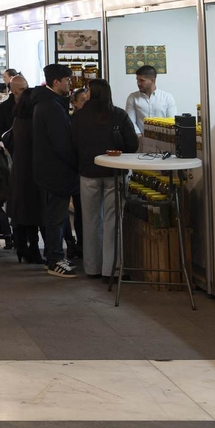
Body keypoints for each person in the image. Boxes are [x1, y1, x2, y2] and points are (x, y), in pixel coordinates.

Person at [74, 78, 137, 284]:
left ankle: (92, 267)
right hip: (114, 173)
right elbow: (132, 144)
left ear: (92, 93)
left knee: (90, 220)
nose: (86, 93)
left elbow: (72, 144)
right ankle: (112, 269)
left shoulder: (79, 116)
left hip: (88, 173)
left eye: (87, 90)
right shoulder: (118, 114)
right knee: (113, 220)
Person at [29, 64, 79, 277]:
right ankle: (55, 260)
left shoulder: (46, 103)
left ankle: (54, 256)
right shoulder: (51, 107)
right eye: (67, 80)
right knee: (56, 217)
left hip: (48, 168)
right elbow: (61, 143)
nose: (70, 83)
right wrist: (75, 163)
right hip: (56, 170)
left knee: (55, 216)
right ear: (56, 82)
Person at [7, 75, 41, 264]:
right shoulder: (33, 123)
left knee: (20, 211)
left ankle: (21, 246)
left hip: (18, 170)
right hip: (32, 171)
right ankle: (33, 249)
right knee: (33, 212)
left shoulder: (17, 121)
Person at [123, 64, 177, 136]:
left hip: (163, 139)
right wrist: (139, 136)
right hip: (140, 139)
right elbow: (130, 121)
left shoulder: (167, 97)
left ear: (152, 80)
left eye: (142, 80)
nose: (138, 83)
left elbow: (172, 121)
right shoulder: (133, 97)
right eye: (137, 80)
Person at [0, 73, 29, 139]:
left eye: (27, 88)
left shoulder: (32, 105)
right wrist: (9, 138)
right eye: (22, 89)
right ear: (13, 91)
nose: (26, 91)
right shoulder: (3, 108)